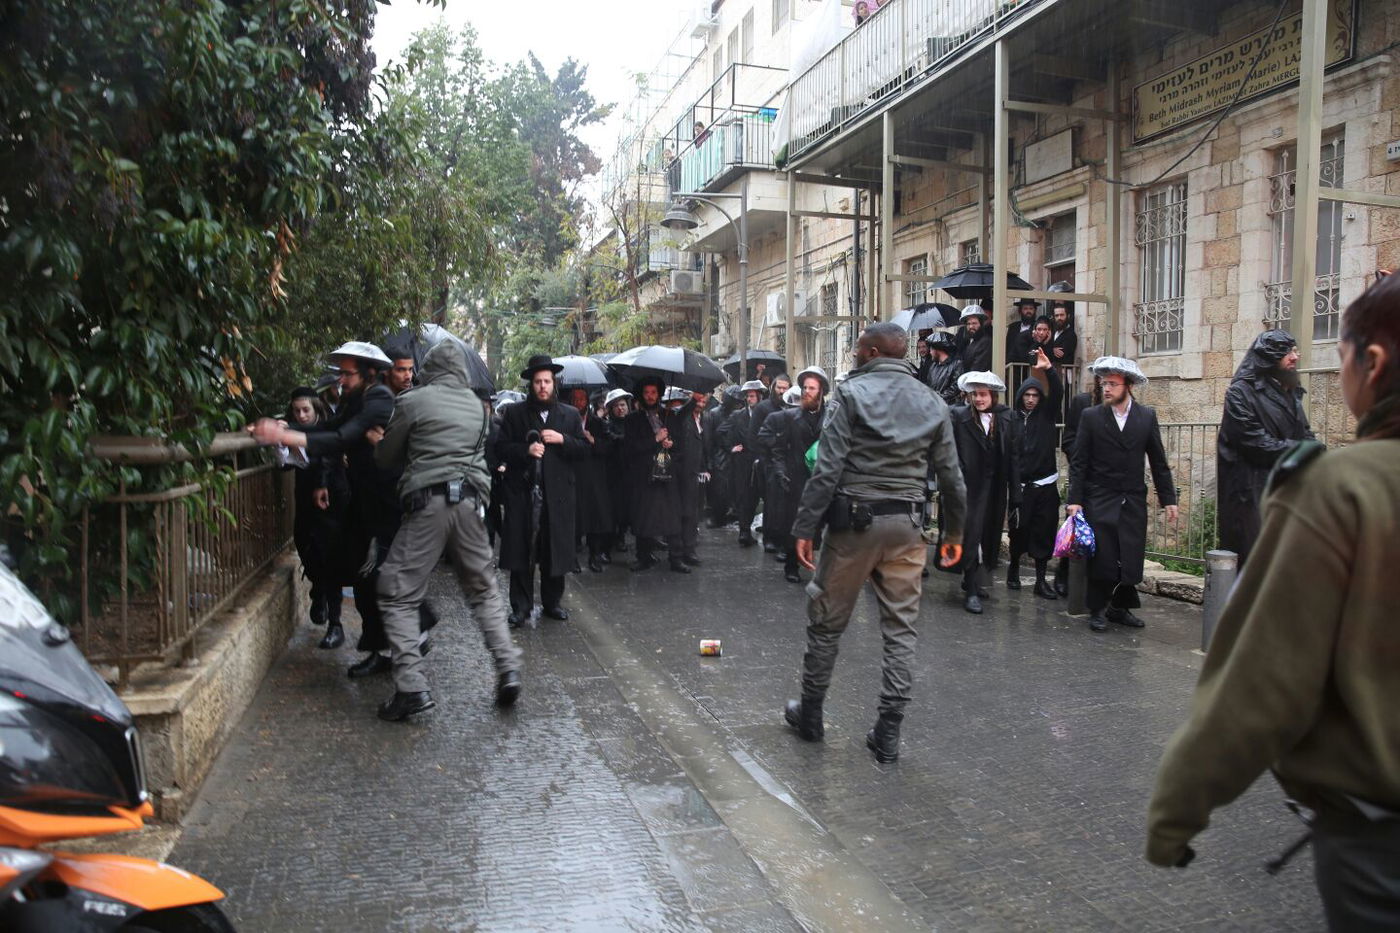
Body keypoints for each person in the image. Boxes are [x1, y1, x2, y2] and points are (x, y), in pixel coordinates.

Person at [1146, 274, 1400, 929]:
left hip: (1377, 837)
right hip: (1249, 494)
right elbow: (1250, 440)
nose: (1307, 366)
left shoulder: (1343, 490)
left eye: (1332, 354)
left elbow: (1266, 678)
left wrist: (1177, 808)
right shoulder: (1246, 395)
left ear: (1372, 364)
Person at [783, 323, 967, 764]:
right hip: (908, 529)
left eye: (855, 349)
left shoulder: (849, 395)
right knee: (901, 631)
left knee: (826, 622)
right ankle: (888, 732)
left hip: (853, 528)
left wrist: (805, 528)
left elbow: (827, 469)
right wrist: (954, 535)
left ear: (869, 352)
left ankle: (811, 715)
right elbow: (952, 479)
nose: (851, 354)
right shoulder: (934, 401)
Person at [249, 341, 429, 677]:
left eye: (348, 374)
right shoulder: (353, 398)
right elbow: (329, 428)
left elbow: (343, 436)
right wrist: (286, 429)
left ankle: (418, 631)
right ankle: (380, 649)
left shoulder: (379, 399)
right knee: (357, 571)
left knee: (382, 574)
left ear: (369, 373)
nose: (341, 380)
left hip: (387, 503)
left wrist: (291, 438)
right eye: (341, 373)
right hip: (362, 499)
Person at [370, 340, 524, 721]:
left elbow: (386, 459)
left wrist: (380, 441)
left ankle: (412, 689)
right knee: (483, 590)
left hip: (428, 505)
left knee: (396, 591)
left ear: (429, 368)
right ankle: (508, 669)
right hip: (472, 505)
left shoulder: (412, 401)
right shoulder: (478, 406)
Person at [1066, 356, 1178, 633]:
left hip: (1132, 498)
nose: (1106, 388)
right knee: (1102, 555)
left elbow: (1158, 460)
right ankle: (1097, 609)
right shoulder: (1091, 417)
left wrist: (1169, 499)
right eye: (1104, 383)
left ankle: (1121, 606)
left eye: (1113, 384)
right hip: (1099, 495)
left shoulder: (1146, 416)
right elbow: (1079, 462)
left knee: (1130, 555)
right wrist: (1075, 500)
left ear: (1128, 386)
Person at [495, 356, 588, 626]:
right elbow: (500, 448)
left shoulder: (569, 415)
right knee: (522, 550)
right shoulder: (514, 413)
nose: (543, 386)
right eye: (538, 382)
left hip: (557, 497)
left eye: (547, 381)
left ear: (554, 384)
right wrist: (526, 450)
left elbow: (584, 450)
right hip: (523, 495)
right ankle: (520, 608)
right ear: (531, 384)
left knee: (554, 551)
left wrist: (564, 439)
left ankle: (552, 603)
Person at [1215, 330, 1314, 567]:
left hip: (1284, 489)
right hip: (1250, 491)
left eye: (1295, 350)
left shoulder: (1290, 390)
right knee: (1254, 559)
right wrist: (1304, 451)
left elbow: (1305, 432)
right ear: (1269, 356)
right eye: (1288, 351)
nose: (1295, 356)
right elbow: (1255, 443)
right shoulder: (1241, 392)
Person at [278, 387, 349, 648]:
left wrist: (322, 483)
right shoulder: (293, 430)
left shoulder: (328, 429)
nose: (301, 414)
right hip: (305, 498)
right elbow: (285, 464)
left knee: (331, 556)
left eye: (305, 409)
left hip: (332, 497)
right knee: (305, 546)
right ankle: (318, 589)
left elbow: (329, 461)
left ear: (316, 408)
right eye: (297, 410)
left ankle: (335, 622)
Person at [948, 370, 1020, 615]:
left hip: (995, 487)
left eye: (983, 394)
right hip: (969, 486)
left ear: (992, 396)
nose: (978, 399)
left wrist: (1016, 493)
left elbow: (1013, 456)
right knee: (971, 535)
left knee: (988, 536)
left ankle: (974, 581)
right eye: (974, 395)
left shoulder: (1006, 418)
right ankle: (970, 589)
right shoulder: (960, 417)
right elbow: (951, 451)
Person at [761, 367, 828, 583]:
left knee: (822, 524)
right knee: (794, 523)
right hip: (796, 479)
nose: (807, 392)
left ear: (822, 391)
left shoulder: (832, 417)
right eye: (805, 387)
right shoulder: (790, 417)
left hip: (822, 479)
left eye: (812, 388)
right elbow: (778, 449)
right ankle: (792, 564)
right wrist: (781, 472)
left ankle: (819, 563)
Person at [1007, 350, 1062, 599]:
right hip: (1022, 487)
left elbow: (1059, 392)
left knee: (1044, 532)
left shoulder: (1047, 415)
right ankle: (1014, 567)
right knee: (1020, 531)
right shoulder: (1012, 420)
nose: (1031, 399)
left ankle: (1040, 580)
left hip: (1046, 485)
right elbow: (1009, 454)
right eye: (1027, 395)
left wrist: (1048, 369)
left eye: (1035, 395)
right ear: (1021, 397)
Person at [624, 376, 689, 573]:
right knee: (644, 517)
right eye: (646, 393)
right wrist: (656, 438)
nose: (650, 396)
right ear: (641, 395)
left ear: (659, 394)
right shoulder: (632, 420)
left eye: (653, 393)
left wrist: (671, 444)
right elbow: (630, 448)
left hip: (668, 475)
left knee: (672, 516)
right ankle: (644, 557)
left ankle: (676, 558)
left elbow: (682, 446)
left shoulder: (671, 416)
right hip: (644, 476)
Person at [567, 386, 614, 573]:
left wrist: (593, 441)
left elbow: (609, 449)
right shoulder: (566, 421)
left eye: (582, 399)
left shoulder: (598, 423)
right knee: (575, 520)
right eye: (575, 399)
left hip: (595, 478)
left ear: (587, 402)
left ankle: (594, 556)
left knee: (595, 519)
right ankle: (572, 558)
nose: (579, 403)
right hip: (574, 476)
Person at [722, 379, 768, 547]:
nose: (750, 399)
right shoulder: (737, 416)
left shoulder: (767, 415)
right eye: (748, 396)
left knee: (760, 496)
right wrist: (731, 448)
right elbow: (722, 433)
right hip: (743, 463)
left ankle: (765, 531)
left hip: (761, 461)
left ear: (760, 397)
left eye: (753, 396)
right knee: (744, 497)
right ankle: (744, 531)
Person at [672, 390, 712, 568]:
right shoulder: (680, 416)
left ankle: (689, 550)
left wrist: (706, 469)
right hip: (680, 474)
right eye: (698, 398)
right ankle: (676, 554)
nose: (701, 400)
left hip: (698, 475)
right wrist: (693, 399)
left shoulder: (705, 419)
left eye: (704, 397)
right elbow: (681, 413)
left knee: (693, 515)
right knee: (681, 515)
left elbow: (705, 447)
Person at [602, 388, 633, 556]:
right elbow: (611, 440)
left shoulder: (633, 423)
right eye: (616, 406)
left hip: (630, 473)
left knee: (626, 509)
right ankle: (612, 540)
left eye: (623, 405)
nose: (620, 408)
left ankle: (621, 535)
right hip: (613, 474)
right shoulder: (608, 426)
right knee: (614, 509)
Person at [923, 332, 963, 405]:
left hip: (949, 408)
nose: (930, 352)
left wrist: (938, 398)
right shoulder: (933, 366)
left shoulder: (956, 365)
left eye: (931, 349)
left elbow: (955, 388)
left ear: (937, 349)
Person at [956, 305, 993, 374]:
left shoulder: (986, 342)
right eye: (968, 324)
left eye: (974, 323)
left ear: (981, 324)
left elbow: (978, 370)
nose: (971, 326)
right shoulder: (968, 341)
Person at [1005, 297, 1039, 367]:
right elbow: (1008, 347)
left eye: (1031, 308)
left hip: (1030, 367)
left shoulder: (1038, 327)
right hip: (1013, 367)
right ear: (1020, 311)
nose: (1028, 311)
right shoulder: (1013, 327)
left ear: (1035, 310)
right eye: (1025, 308)